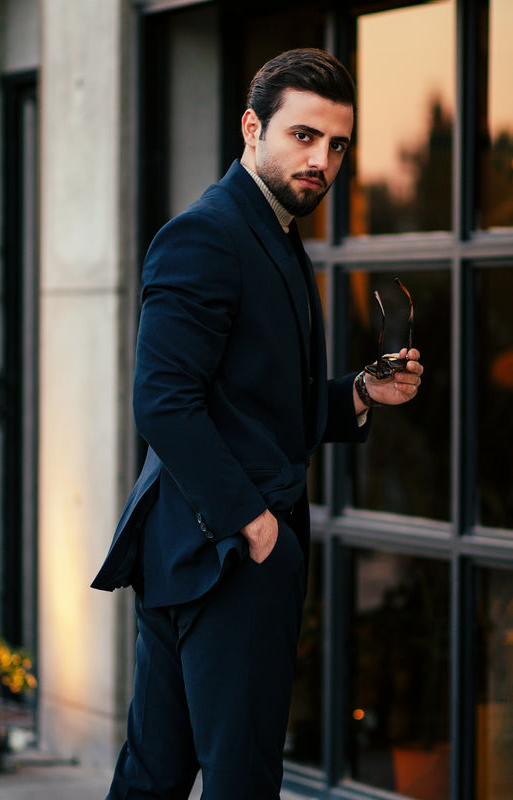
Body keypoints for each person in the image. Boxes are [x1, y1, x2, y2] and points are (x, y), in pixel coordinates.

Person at [92, 48, 424, 800]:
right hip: (225, 552)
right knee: (240, 779)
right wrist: (254, 523)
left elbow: (256, 405)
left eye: (336, 145)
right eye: (303, 136)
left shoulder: (269, 229)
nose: (322, 159)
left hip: (194, 548)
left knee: (155, 774)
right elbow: (162, 401)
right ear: (251, 126)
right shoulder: (207, 235)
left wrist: (362, 395)